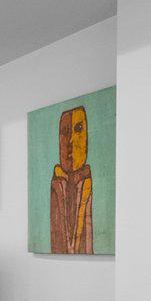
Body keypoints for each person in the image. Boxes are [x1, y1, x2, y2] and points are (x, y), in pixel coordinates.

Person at [49, 105, 93, 254]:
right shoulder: (56, 182)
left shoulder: (88, 180)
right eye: (65, 132)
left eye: (79, 129)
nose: (71, 141)